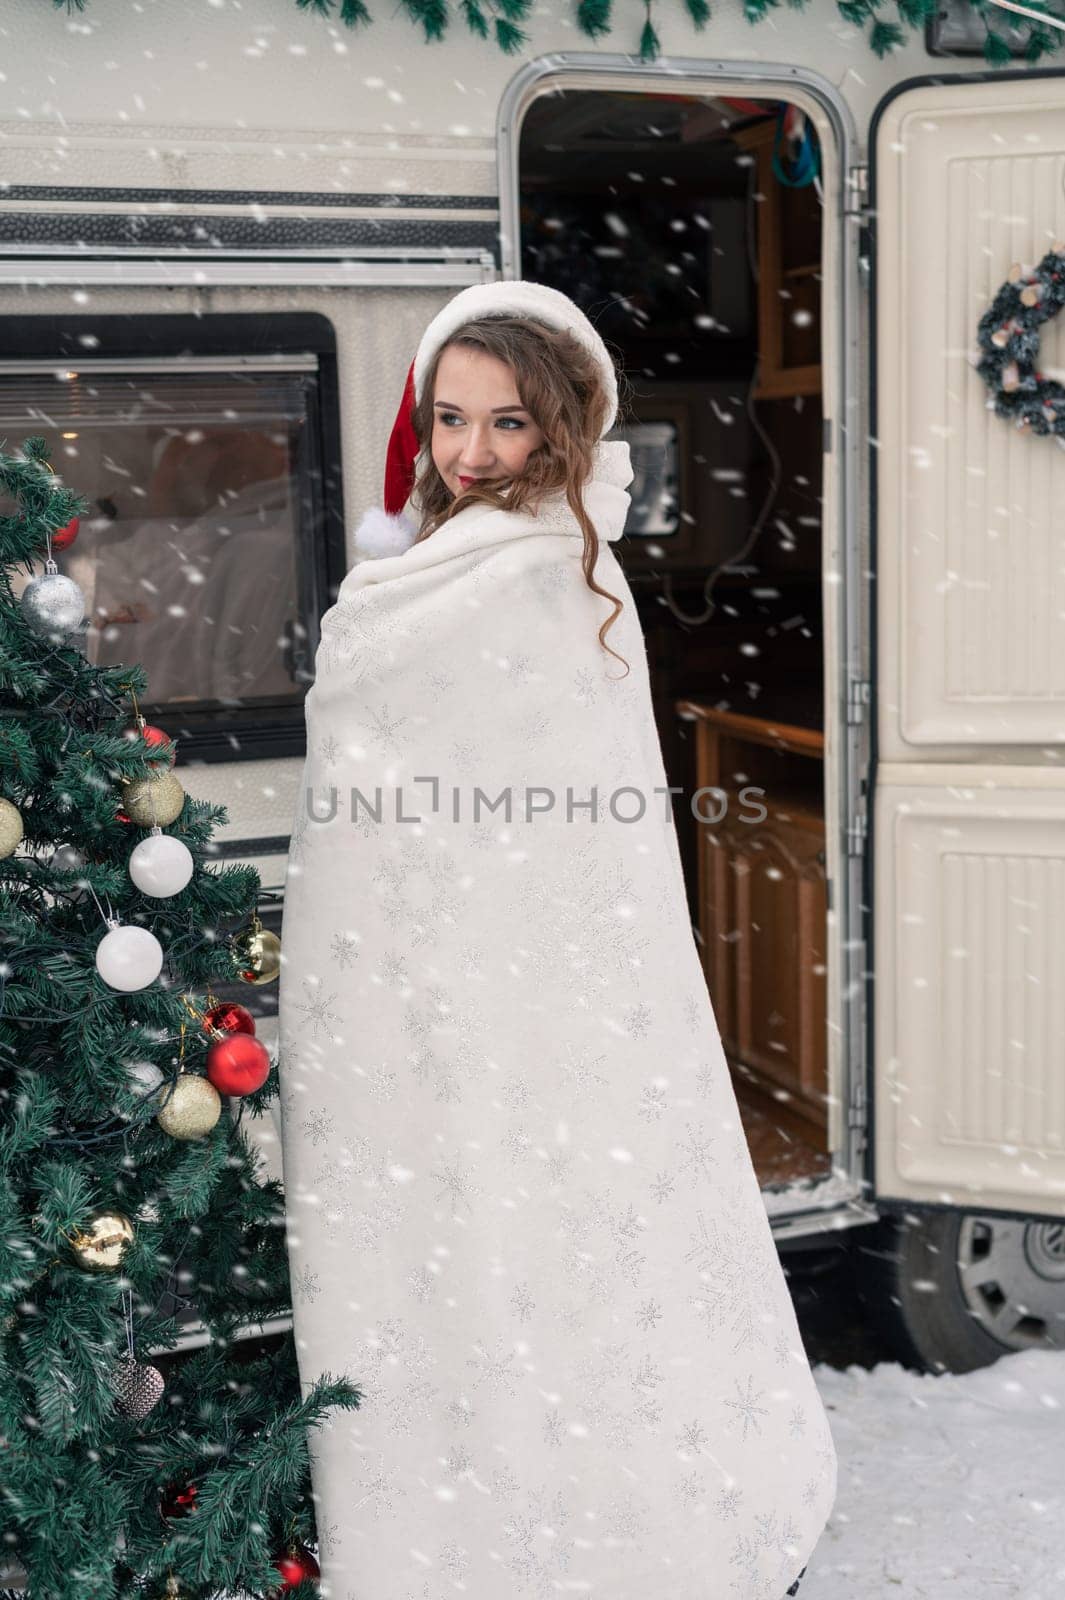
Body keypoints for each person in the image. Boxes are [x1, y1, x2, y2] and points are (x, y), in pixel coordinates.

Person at [277, 280, 836, 1600]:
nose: (473, 454)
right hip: (429, 993)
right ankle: (490, 1512)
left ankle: (604, 1521)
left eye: (507, 423)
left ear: (562, 425)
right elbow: (382, 803)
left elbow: (568, 833)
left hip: (546, 1006)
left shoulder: (553, 577)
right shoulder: (435, 563)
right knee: (464, 1268)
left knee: (564, 1259)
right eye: (452, 419)